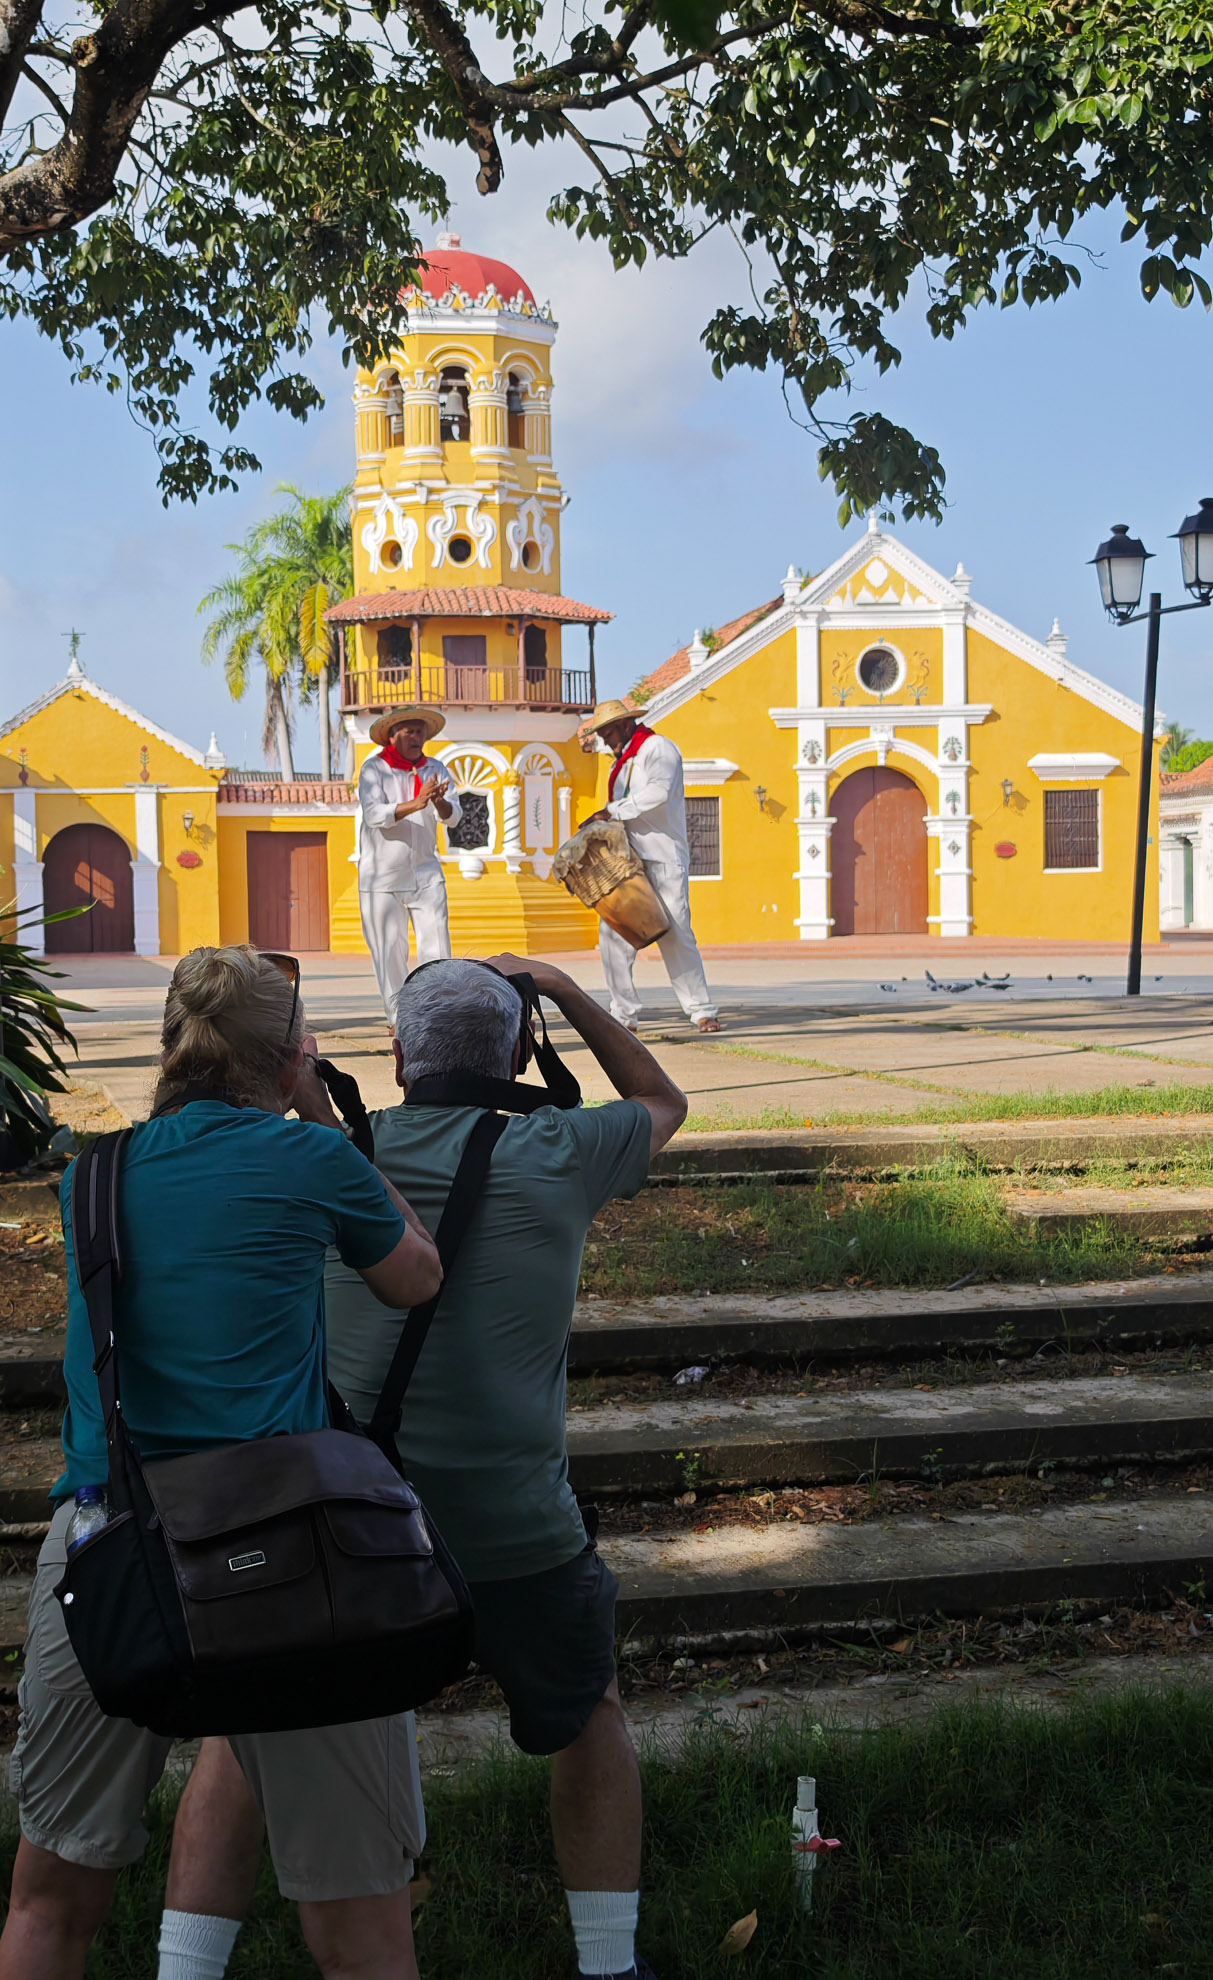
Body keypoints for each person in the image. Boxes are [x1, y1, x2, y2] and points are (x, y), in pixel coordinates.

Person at [0, 945, 443, 1980]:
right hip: (291, 1558)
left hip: (111, 1546)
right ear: (289, 1058)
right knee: (361, 1929)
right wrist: (324, 1120)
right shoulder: (313, 1158)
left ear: (171, 1049)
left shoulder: (92, 1176)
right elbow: (416, 1276)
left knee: (49, 1901)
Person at [326, 955, 687, 1980]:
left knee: (291, 1727)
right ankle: (607, 1966)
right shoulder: (564, 1148)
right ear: (523, 1054)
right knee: (589, 1714)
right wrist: (564, 990)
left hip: (361, 1524)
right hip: (518, 1528)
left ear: (397, 1055)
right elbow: (663, 1100)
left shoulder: (335, 1159)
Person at [585, 699, 721, 1034]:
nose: (605, 741)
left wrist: (611, 811)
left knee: (676, 933)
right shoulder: (623, 763)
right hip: (628, 861)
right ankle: (623, 1014)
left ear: (625, 725)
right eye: (601, 735)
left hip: (663, 857)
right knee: (613, 933)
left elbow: (658, 792)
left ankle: (701, 1010)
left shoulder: (658, 749)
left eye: (608, 733)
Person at [357, 705, 460, 1022]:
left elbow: (454, 817)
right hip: (382, 878)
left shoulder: (436, 768)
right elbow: (374, 815)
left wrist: (438, 801)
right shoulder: (373, 769)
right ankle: (399, 1020)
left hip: (426, 873)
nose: (416, 737)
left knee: (438, 949)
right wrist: (417, 802)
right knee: (389, 951)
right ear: (392, 737)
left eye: (420, 731)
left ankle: (437, 1015)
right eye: (409, 731)